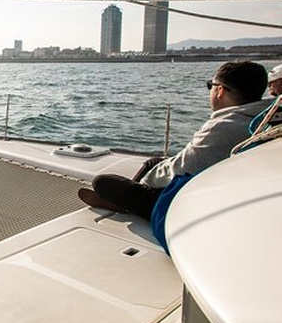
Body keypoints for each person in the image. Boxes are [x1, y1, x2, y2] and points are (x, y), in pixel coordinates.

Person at [78, 60, 271, 219]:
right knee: (154, 161)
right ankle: (122, 200)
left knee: (103, 182)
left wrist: (144, 185)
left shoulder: (224, 126)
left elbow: (182, 168)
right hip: (220, 184)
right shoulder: (264, 118)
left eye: (210, 86)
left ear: (220, 90)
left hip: (186, 203)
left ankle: (125, 202)